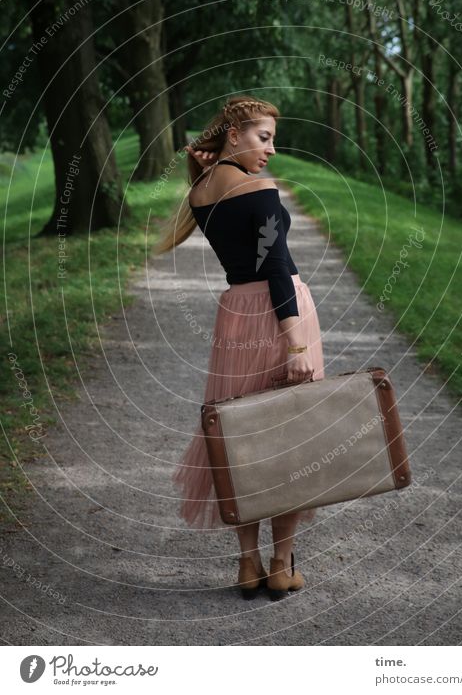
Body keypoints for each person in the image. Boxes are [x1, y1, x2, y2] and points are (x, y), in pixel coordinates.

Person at [154, 95, 325, 600]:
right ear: (233, 135)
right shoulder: (259, 189)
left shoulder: (202, 190)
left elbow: (244, 252)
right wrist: (295, 345)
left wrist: (217, 163)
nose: (271, 150)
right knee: (289, 439)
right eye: (263, 137)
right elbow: (275, 268)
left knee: (241, 439)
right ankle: (280, 563)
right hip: (281, 314)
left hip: (235, 314)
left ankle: (247, 564)